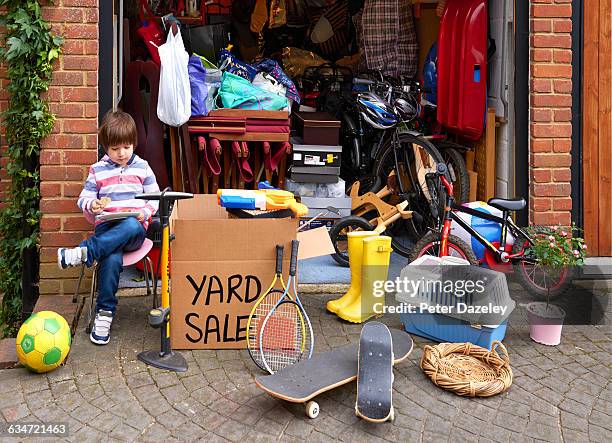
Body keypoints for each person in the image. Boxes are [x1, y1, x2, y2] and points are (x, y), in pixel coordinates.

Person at [57, 110, 160, 345]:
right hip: (106, 228)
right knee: (111, 258)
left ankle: (86, 251)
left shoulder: (143, 168)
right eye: (115, 149)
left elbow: (155, 198)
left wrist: (145, 212)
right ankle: (104, 313)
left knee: (133, 226)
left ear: (133, 143)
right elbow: (84, 197)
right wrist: (91, 204)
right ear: (105, 147)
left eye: (126, 147)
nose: (121, 153)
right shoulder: (98, 170)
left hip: (134, 228)